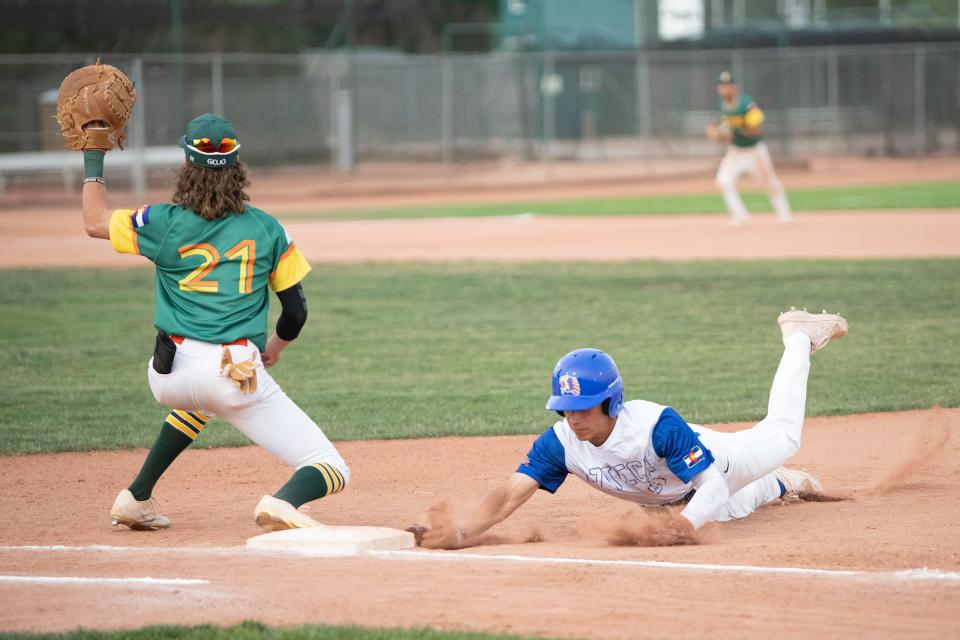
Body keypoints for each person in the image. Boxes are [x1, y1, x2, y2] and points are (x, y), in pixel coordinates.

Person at [78, 113, 349, 532]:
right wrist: (273, 349)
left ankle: (135, 498)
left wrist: (93, 155)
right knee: (331, 466)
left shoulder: (161, 222)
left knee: (199, 405)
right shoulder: (266, 228)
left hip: (167, 374)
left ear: (187, 165)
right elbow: (296, 312)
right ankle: (282, 501)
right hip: (233, 374)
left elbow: (95, 222)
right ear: (238, 167)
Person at [412, 309, 847, 549]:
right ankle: (780, 484)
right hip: (673, 493)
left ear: (611, 402)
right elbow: (510, 494)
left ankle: (798, 336)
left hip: (718, 461)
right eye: (565, 409)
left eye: (583, 408)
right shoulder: (561, 444)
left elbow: (712, 484)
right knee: (734, 509)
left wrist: (684, 527)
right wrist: (466, 531)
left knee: (783, 439)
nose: (573, 419)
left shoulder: (657, 427)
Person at [707, 70, 793, 226]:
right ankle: (740, 215)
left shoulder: (746, 104)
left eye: (727, 85)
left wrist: (735, 132)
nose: (724, 89)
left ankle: (784, 214)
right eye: (721, 86)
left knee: (770, 181)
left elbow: (756, 128)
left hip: (755, 150)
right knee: (723, 181)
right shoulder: (724, 106)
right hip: (736, 151)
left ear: (734, 88)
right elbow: (729, 132)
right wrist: (722, 135)